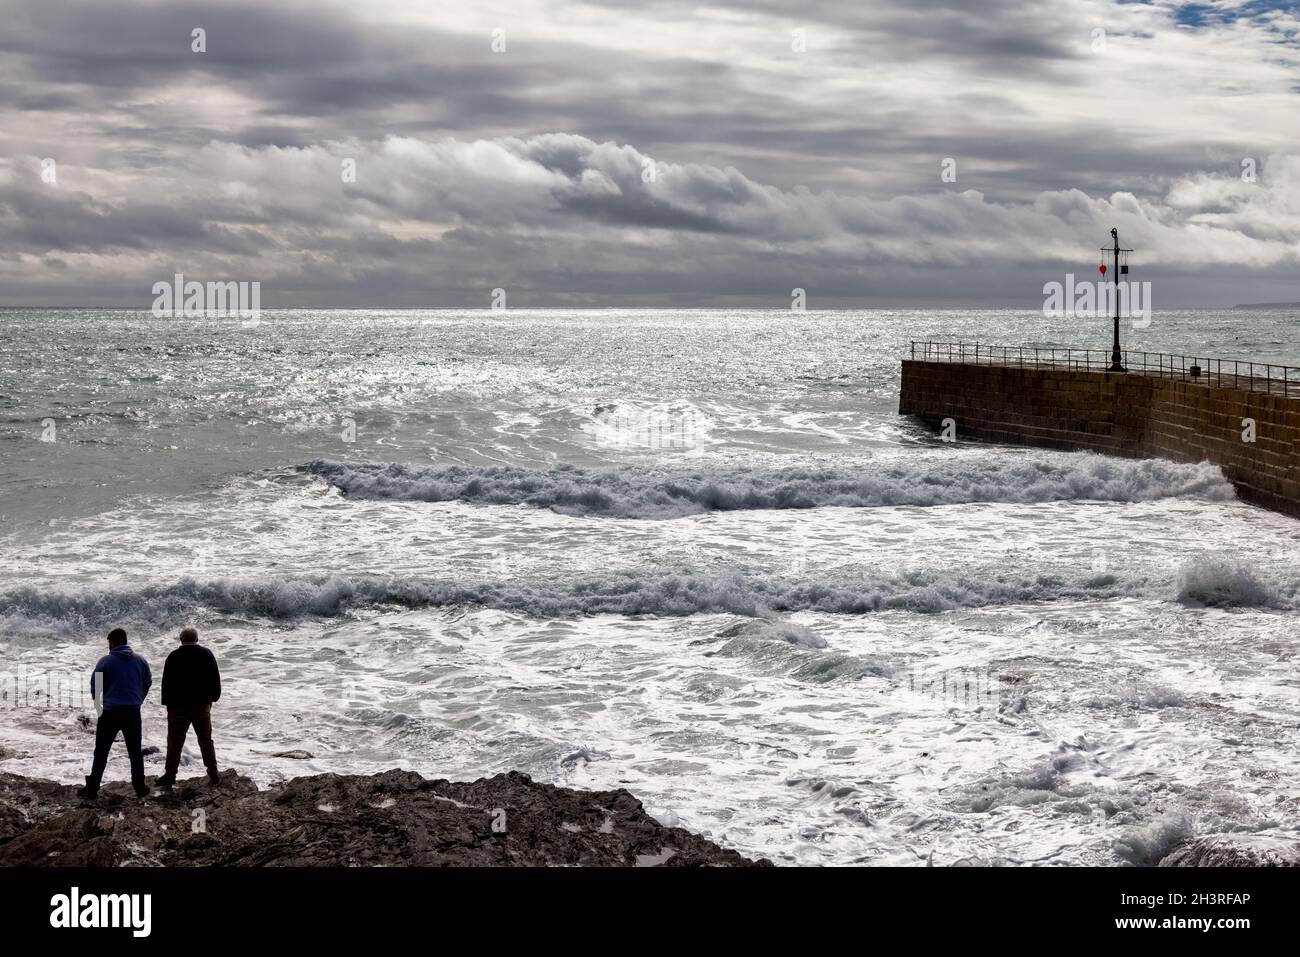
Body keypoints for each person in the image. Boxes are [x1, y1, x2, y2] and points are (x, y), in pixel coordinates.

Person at [79, 628, 152, 799]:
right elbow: (147, 682)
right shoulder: (140, 661)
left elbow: (95, 687)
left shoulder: (106, 661)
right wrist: (139, 700)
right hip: (133, 712)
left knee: (101, 752)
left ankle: (92, 789)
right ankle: (140, 788)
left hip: (110, 712)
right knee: (135, 752)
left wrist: (98, 708)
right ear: (125, 641)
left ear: (112, 643)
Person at [155, 626, 222, 788]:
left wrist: (167, 704)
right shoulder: (206, 654)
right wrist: (213, 698)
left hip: (178, 707)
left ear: (181, 640)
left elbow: (167, 683)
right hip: (202, 705)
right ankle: (213, 772)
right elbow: (215, 678)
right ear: (196, 639)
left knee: (174, 741)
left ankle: (170, 775)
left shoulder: (174, 656)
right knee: (205, 740)